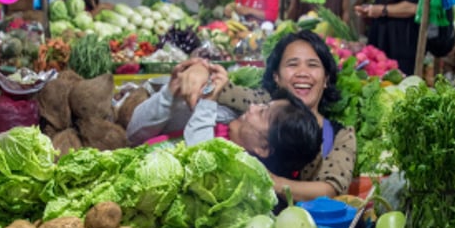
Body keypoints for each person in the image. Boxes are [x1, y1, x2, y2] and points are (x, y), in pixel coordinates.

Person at [211, 30, 356, 200]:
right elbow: (220, 88)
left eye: (313, 65)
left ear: (326, 80)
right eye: (292, 64)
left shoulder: (340, 134)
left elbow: (330, 189)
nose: (302, 72)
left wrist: (269, 180)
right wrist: (200, 70)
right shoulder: (261, 104)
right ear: (276, 77)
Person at [125, 61, 321, 182]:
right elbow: (134, 133)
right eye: (263, 105)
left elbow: (199, 168)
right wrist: (169, 94)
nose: (253, 107)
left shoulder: (242, 174)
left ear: (264, 148)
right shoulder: (222, 116)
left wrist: (207, 102)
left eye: (262, 113)